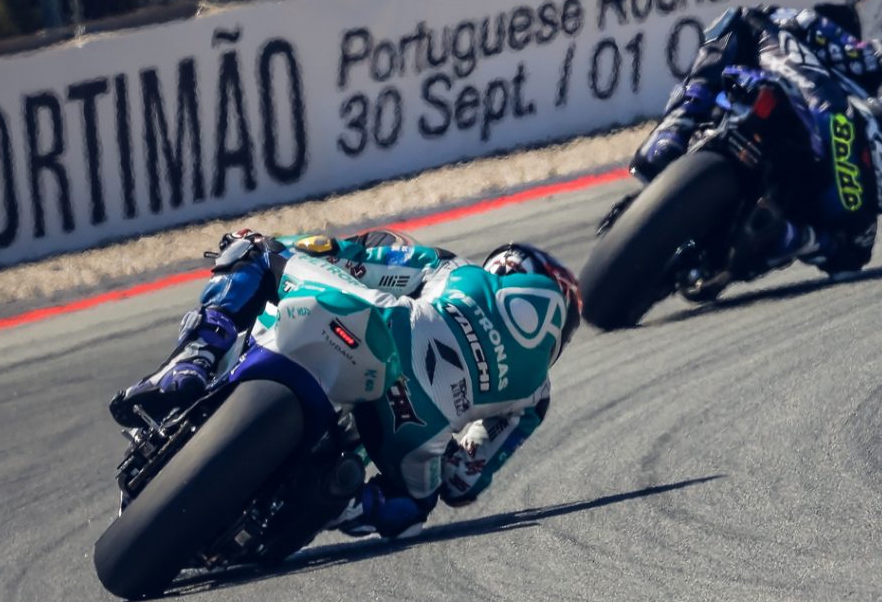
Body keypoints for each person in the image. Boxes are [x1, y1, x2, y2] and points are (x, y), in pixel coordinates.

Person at [110, 228, 580, 539]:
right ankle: (345, 501)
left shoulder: (456, 269)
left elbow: (355, 259)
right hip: (419, 428)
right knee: (412, 507)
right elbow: (461, 482)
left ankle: (195, 357)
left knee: (256, 249)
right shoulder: (535, 395)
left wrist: (298, 247)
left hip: (384, 328)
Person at [628, 3, 882, 278]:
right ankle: (789, 236)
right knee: (851, 255)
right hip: (840, 187)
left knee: (740, 19)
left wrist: (803, 25)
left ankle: (676, 128)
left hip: (830, 133)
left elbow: (843, 49)